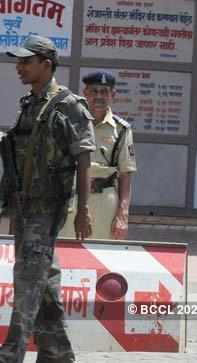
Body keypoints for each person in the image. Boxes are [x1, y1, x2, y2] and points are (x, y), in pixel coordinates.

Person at [0, 35, 95, 363]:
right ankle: (56, 353)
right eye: (19, 61)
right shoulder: (30, 103)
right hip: (26, 207)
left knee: (28, 277)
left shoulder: (68, 105)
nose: (19, 66)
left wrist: (83, 209)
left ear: (47, 64)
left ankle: (11, 352)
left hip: (48, 205)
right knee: (41, 277)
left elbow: (84, 157)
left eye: (27, 61)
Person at [59, 72, 136, 240]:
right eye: (94, 91)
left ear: (113, 95)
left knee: (103, 256)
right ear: (85, 92)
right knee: (66, 254)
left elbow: (125, 174)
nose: (99, 96)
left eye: (104, 92)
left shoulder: (121, 129)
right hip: (71, 199)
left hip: (104, 202)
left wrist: (123, 215)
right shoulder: (70, 123)